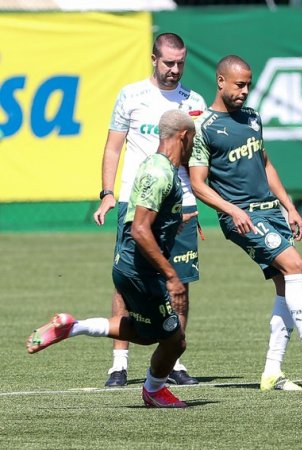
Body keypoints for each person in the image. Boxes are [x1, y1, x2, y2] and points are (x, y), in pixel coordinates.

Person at [189, 55, 302, 391]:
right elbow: (198, 183)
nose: (244, 91)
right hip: (243, 218)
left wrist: (290, 206)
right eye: (239, 84)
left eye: (248, 85)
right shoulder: (204, 127)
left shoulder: (253, 118)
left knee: (285, 285)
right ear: (220, 81)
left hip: (271, 212)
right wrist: (232, 211)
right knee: (295, 264)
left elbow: (266, 164)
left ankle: (272, 371)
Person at [28, 110, 198, 408]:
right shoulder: (160, 172)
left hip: (129, 266)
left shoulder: (153, 165)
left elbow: (145, 219)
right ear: (184, 136)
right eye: (193, 140)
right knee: (174, 340)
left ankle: (72, 326)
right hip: (140, 271)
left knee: (146, 333)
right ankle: (154, 391)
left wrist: (176, 220)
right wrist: (172, 276)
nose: (194, 147)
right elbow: (140, 229)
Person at [92, 33, 206, 387]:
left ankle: (172, 362)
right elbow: (113, 148)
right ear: (154, 59)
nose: (174, 70)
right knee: (128, 281)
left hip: (182, 204)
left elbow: (196, 158)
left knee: (181, 283)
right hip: (136, 202)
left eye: (180, 63)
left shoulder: (195, 101)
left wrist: (196, 203)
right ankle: (118, 363)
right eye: (168, 62)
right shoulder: (131, 95)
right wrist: (108, 192)